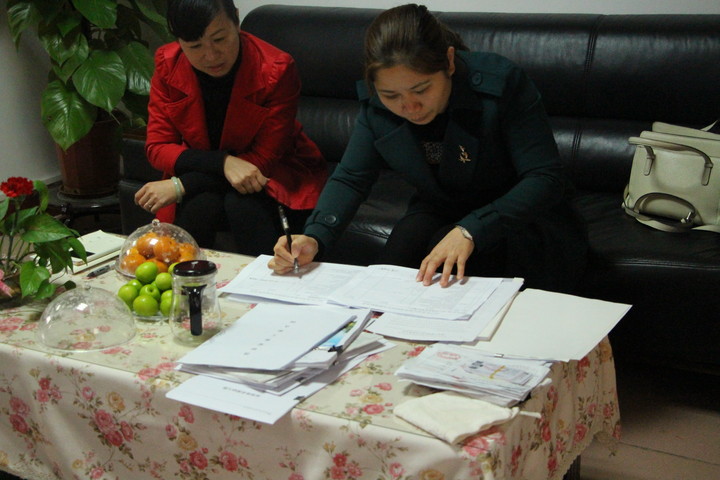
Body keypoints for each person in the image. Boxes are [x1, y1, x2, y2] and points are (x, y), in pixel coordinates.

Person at [269, 3, 587, 293]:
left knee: (451, 268)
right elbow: (352, 177)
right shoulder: (377, 104)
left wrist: (471, 230)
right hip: (441, 205)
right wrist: (315, 236)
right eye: (391, 95)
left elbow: (544, 178)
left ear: (449, 62)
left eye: (421, 89)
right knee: (393, 267)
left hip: (517, 213)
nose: (409, 107)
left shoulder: (500, 84)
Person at [135, 0, 326, 255]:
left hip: (272, 172)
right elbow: (158, 147)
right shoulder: (169, 63)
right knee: (201, 205)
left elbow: (265, 158)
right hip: (206, 169)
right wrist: (223, 163)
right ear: (179, 41)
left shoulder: (276, 68)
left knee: (242, 204)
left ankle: (268, 276)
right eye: (195, 46)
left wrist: (182, 185)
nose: (211, 56)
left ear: (236, 20)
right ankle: (182, 276)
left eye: (219, 39)